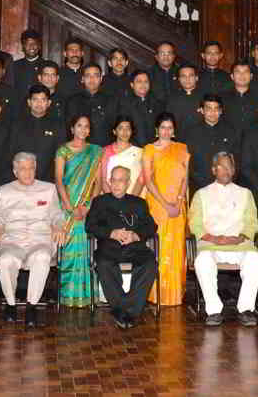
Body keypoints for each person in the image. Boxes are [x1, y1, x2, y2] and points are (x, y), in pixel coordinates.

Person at [0, 152, 65, 327]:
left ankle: (32, 306)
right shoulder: (4, 190)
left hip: (40, 239)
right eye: (23, 169)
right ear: (15, 172)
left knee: (42, 257)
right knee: (6, 261)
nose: (28, 172)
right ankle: (11, 304)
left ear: (36, 169)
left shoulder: (48, 188)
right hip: (12, 240)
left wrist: (59, 225)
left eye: (31, 168)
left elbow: (57, 215)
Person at [189, 152, 258, 326]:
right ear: (214, 170)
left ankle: (245, 309)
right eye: (222, 166)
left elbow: (252, 223)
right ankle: (214, 311)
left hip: (239, 244)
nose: (227, 170)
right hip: (211, 244)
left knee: (254, 260)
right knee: (202, 262)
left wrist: (240, 238)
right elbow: (195, 224)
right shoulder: (201, 194)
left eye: (230, 166)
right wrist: (214, 238)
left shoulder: (245, 193)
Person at [86, 165, 158, 329]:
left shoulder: (139, 203)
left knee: (149, 264)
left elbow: (152, 226)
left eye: (122, 180)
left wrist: (135, 235)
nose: (117, 184)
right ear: (109, 182)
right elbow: (90, 226)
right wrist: (111, 233)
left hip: (135, 247)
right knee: (104, 264)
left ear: (128, 183)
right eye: (114, 180)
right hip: (109, 247)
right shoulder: (100, 202)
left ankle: (123, 310)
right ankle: (129, 311)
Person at [142, 112, 189, 306]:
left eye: (170, 127)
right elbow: (148, 180)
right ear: (156, 129)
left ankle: (175, 295)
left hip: (178, 207)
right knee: (159, 248)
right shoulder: (149, 150)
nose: (166, 131)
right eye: (163, 127)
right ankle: (156, 294)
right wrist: (165, 204)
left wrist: (177, 202)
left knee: (176, 249)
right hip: (157, 206)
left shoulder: (182, 148)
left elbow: (185, 179)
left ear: (174, 130)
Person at [54, 115, 101, 308]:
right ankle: (67, 296)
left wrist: (88, 206)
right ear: (72, 128)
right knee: (68, 250)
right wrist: (69, 206)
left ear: (89, 130)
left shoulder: (95, 151)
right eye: (79, 126)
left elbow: (98, 182)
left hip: (86, 208)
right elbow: (58, 179)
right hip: (67, 207)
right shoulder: (63, 151)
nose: (83, 129)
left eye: (86, 126)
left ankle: (86, 296)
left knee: (86, 250)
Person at [8, 84, 65, 182]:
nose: (39, 104)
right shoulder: (17, 124)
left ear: (49, 103)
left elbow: (61, 156)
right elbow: (11, 153)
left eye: (43, 100)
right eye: (35, 99)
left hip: (48, 181)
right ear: (29, 102)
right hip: (21, 180)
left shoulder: (57, 126)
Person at [185, 94, 239, 191]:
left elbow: (235, 160)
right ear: (202, 110)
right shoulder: (192, 133)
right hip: (200, 187)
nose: (212, 112)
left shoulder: (230, 131)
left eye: (216, 109)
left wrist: (227, 181)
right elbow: (189, 164)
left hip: (226, 186)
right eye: (208, 108)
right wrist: (204, 184)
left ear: (221, 111)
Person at [64, 63, 119, 147]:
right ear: (82, 79)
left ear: (101, 79)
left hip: (104, 150)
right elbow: (69, 129)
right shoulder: (73, 101)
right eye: (88, 75)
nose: (92, 79)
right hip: (80, 151)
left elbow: (115, 128)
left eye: (96, 75)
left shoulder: (111, 100)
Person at [98, 116, 145, 196]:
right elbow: (103, 180)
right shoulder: (105, 151)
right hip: (110, 199)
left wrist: (131, 200)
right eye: (120, 128)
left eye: (128, 128)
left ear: (132, 131)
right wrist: (114, 201)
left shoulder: (140, 152)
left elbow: (141, 180)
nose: (125, 132)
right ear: (114, 131)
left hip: (134, 198)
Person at [119, 70, 161, 147]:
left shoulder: (156, 103)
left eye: (146, 81)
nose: (143, 84)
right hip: (132, 149)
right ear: (132, 85)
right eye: (139, 81)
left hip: (154, 149)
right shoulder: (124, 105)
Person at [221, 61, 258, 134]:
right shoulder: (222, 98)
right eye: (238, 72)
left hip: (254, 140)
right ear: (232, 76)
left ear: (251, 76)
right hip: (229, 141)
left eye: (245, 72)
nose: (242, 75)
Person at [165, 64, 203, 140]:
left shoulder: (205, 98)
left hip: (202, 141)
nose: (187, 79)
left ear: (196, 78)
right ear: (179, 79)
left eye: (191, 76)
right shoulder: (172, 98)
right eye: (183, 76)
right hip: (178, 142)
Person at [10, 29, 46, 99]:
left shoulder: (46, 65)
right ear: (23, 47)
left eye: (34, 44)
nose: (31, 47)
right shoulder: (14, 66)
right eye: (28, 44)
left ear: (39, 46)